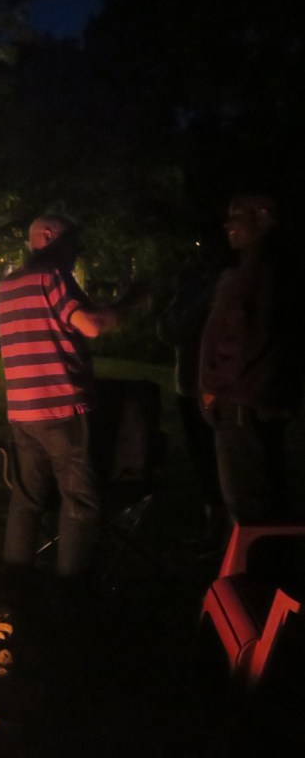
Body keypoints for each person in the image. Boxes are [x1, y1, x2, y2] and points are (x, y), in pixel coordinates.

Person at [0, 214, 148, 587]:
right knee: (79, 501)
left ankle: (16, 581)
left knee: (26, 499)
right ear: (48, 237)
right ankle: (72, 587)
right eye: (72, 242)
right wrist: (131, 301)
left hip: (21, 410)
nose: (75, 252)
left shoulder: (7, 285)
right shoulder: (51, 276)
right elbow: (91, 325)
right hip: (61, 407)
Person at [199, 193, 303, 527]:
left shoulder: (262, 268)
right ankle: (271, 570)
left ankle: (258, 575)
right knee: (266, 495)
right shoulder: (263, 265)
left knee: (249, 506)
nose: (228, 224)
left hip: (242, 402)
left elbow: (246, 336)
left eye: (237, 215)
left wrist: (215, 386)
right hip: (256, 398)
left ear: (263, 215)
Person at [158, 234, 232, 553]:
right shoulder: (194, 285)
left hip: (220, 387)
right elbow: (168, 328)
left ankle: (236, 538)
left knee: (226, 461)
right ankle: (216, 532)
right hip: (190, 383)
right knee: (203, 459)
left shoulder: (230, 282)